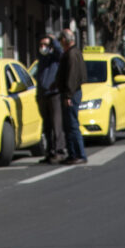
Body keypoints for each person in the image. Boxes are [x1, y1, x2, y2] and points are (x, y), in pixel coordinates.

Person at [57, 27, 87, 165]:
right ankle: (72, 153)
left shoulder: (72, 54)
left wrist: (68, 95)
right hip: (71, 92)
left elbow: (72, 76)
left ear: (65, 40)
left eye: (61, 39)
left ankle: (79, 154)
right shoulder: (71, 53)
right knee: (68, 125)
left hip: (72, 93)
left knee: (72, 124)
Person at [33, 33, 64, 163]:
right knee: (47, 126)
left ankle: (59, 151)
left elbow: (60, 51)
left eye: (45, 45)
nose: (42, 47)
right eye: (41, 45)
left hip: (54, 94)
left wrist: (53, 40)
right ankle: (49, 151)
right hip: (42, 94)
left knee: (57, 125)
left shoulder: (55, 58)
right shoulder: (41, 59)